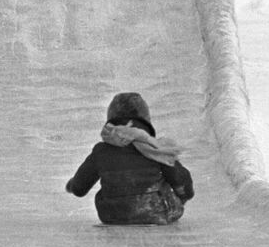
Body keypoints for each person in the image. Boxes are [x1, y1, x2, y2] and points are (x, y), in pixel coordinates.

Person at [65, 92, 194, 225]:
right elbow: (181, 181)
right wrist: (183, 196)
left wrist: (71, 185)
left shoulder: (101, 151)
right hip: (156, 212)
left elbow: (79, 188)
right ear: (146, 120)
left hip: (111, 215)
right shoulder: (155, 148)